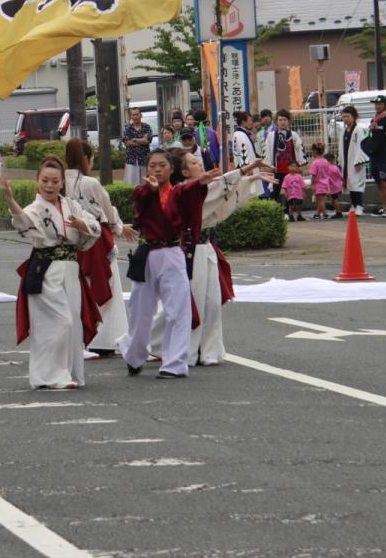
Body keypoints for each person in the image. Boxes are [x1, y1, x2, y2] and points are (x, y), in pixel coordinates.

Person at [2, 155, 100, 390]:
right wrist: (10, 198)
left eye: (55, 181)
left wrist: (82, 225)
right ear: (37, 181)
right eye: (45, 180)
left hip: (71, 268)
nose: (49, 185)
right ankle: (51, 375)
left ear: (61, 183)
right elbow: (22, 221)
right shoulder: (36, 208)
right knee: (59, 322)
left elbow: (93, 225)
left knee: (72, 323)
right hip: (46, 270)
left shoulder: (71, 206)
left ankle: (66, 373)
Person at [120, 150, 218, 380]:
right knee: (139, 311)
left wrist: (199, 183)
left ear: (171, 169)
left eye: (162, 165)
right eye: (152, 165)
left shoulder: (178, 192)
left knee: (178, 310)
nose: (156, 169)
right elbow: (141, 202)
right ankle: (134, 356)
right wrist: (151, 190)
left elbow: (188, 192)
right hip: (147, 254)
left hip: (172, 252)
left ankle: (174, 363)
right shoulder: (142, 191)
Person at [181, 154, 273, 368]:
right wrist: (247, 169)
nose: (199, 163)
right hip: (189, 250)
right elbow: (221, 187)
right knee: (190, 302)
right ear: (184, 172)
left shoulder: (204, 186)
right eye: (194, 163)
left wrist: (250, 177)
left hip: (206, 248)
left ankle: (210, 349)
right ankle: (183, 349)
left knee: (212, 302)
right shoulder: (185, 190)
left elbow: (222, 189)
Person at [64, 139, 137, 359]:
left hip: (71, 242)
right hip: (96, 238)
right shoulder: (90, 183)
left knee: (79, 290)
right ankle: (106, 338)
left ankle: (84, 336)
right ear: (86, 158)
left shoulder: (61, 181)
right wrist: (119, 227)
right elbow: (106, 210)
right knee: (107, 285)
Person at [364, 95, 386, 215]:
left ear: (385, 106)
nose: (377, 106)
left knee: (385, 181)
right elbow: (371, 136)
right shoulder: (374, 121)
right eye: (376, 104)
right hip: (373, 156)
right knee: (378, 182)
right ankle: (384, 206)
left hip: (383, 156)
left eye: (380, 104)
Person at [263, 109, 306, 199]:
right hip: (277, 169)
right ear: (276, 121)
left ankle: (288, 212)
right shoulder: (271, 135)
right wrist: (268, 165)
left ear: (289, 121)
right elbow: (267, 150)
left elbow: (299, 149)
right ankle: (274, 211)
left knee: (291, 192)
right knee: (274, 192)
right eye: (280, 120)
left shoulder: (294, 135)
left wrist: (300, 165)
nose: (282, 122)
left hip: (291, 170)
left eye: (285, 120)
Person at [231, 111, 263, 197]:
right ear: (243, 121)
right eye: (250, 120)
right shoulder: (241, 135)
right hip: (248, 169)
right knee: (250, 193)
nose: (251, 122)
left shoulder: (241, 133)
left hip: (247, 168)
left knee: (250, 193)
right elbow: (243, 153)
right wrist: (248, 168)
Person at [121, 107, 154, 184]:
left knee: (145, 182)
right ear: (131, 116)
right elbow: (127, 142)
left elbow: (147, 140)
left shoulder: (146, 127)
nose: (135, 116)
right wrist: (141, 140)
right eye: (133, 115)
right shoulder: (127, 129)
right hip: (131, 159)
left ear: (141, 115)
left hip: (144, 158)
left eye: (137, 114)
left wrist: (135, 140)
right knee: (131, 182)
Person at [308, 142, 337, 219]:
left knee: (320, 201)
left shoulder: (315, 163)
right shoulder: (325, 161)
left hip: (318, 184)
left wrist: (312, 184)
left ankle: (325, 214)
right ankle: (317, 214)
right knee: (322, 200)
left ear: (315, 152)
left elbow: (313, 175)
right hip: (325, 183)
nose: (312, 154)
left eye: (312, 152)